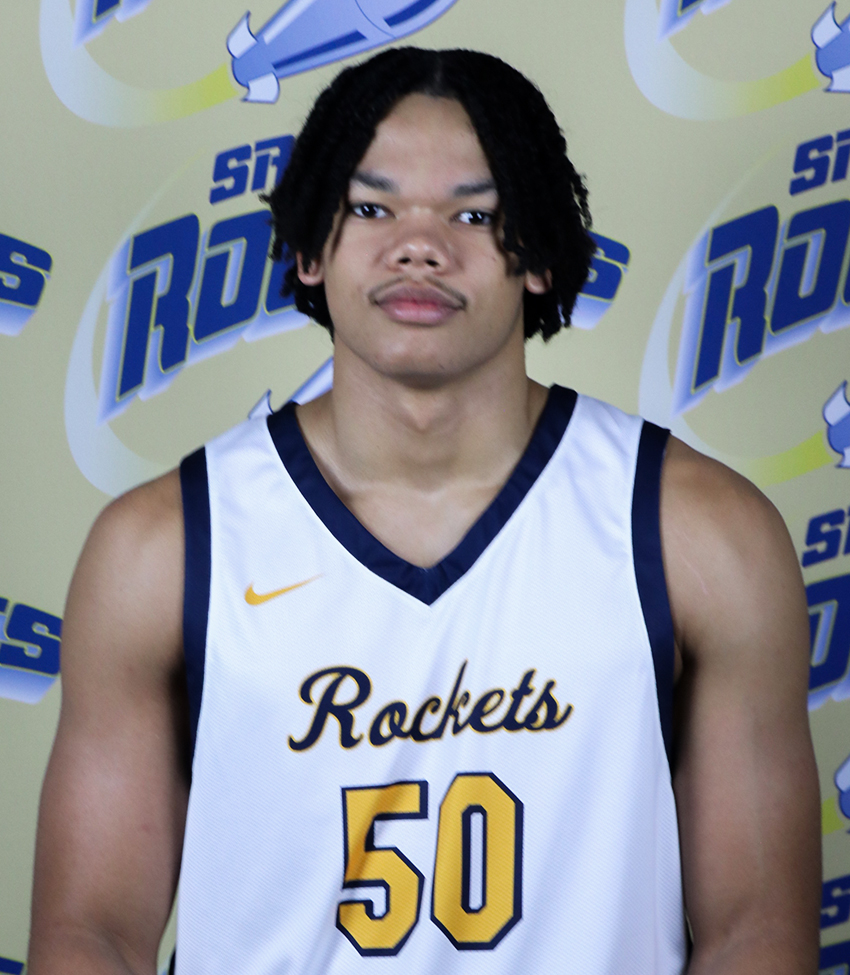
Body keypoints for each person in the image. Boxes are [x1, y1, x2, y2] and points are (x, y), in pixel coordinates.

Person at [28, 47, 820, 975]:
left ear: (536, 259)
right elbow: (93, 934)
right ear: (310, 250)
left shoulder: (701, 534)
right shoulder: (163, 547)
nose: (420, 244)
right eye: (371, 206)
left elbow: (756, 930)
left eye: (474, 213)